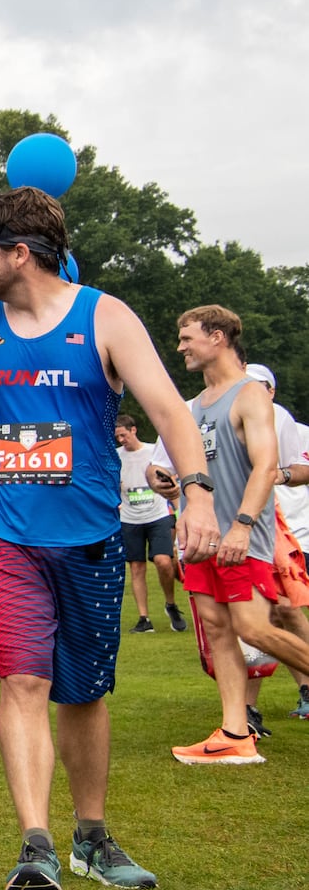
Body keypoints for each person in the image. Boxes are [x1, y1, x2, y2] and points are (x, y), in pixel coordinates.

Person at [0, 187, 218, 890]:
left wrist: (196, 490)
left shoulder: (104, 316)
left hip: (92, 540)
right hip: (1, 535)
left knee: (84, 691)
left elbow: (169, 410)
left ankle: (92, 837)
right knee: (24, 682)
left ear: (19, 253)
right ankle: (35, 847)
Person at [153, 309, 309, 765]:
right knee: (220, 632)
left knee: (254, 627)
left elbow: (265, 466)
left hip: (243, 535)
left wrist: (242, 524)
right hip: (200, 537)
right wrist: (171, 479)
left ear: (217, 337)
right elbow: (187, 465)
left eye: (187, 338)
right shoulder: (196, 403)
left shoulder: (251, 394)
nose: (180, 347)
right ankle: (235, 733)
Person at [239, 363, 309, 721]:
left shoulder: (291, 426)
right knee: (260, 617)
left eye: (258, 386)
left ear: (272, 391)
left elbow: (300, 471)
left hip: (297, 535)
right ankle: (248, 707)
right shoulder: (232, 420)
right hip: (261, 534)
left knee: (285, 613)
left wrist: (279, 474)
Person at [113, 415, 185, 633]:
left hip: (157, 515)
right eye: (117, 437)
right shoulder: (116, 457)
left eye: (123, 435)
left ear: (133, 430)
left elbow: (170, 484)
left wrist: (180, 513)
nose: (121, 440)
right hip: (130, 519)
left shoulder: (154, 452)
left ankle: (170, 604)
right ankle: (144, 619)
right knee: (137, 568)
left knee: (164, 561)